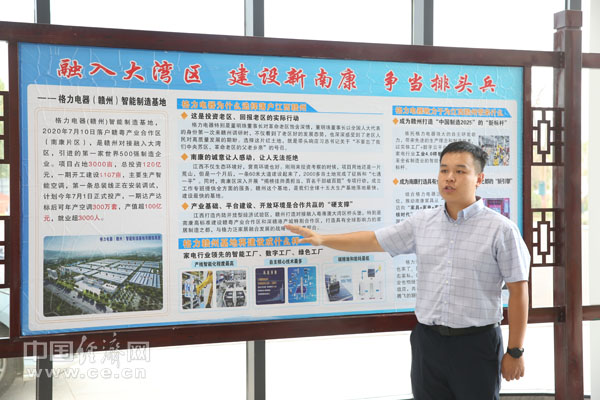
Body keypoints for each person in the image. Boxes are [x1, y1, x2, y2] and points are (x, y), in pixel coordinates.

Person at [285, 141, 530, 400]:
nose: (449, 178)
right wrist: (323, 239)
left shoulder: (501, 229)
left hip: (476, 344)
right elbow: (374, 240)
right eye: (444, 170)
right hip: (428, 343)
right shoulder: (422, 222)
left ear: (479, 178)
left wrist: (515, 351)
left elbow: (518, 291)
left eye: (460, 171)